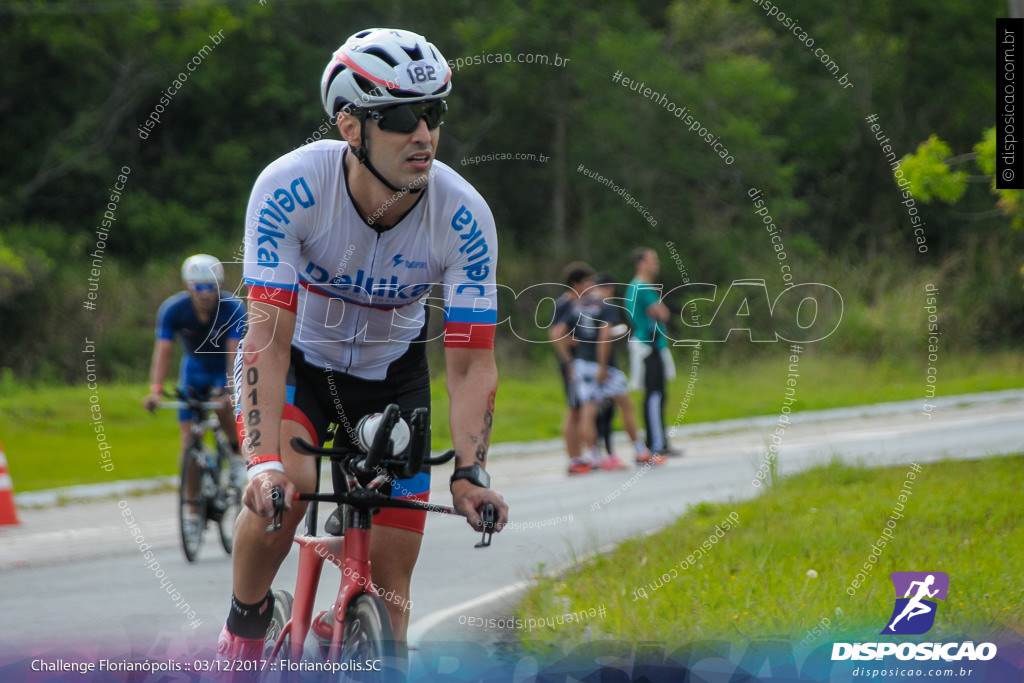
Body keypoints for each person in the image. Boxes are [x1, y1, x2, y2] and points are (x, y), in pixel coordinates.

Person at [217, 28, 508, 662]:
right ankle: (245, 627)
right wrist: (261, 461)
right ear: (351, 125)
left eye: (433, 113)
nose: (423, 133)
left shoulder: (464, 216)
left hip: (393, 378)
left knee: (392, 586)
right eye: (402, 116)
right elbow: (266, 338)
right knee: (286, 490)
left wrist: (471, 471)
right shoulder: (290, 187)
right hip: (299, 365)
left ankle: (352, 631)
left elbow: (469, 364)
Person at [143, 255, 246, 507]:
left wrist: (230, 389)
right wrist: (156, 390)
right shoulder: (173, 309)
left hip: (223, 367)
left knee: (222, 405)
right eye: (198, 287)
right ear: (188, 286)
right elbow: (163, 351)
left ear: (219, 286)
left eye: (210, 287)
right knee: (187, 443)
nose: (205, 294)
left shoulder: (232, 308)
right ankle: (191, 509)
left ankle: (235, 454)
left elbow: (234, 354)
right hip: (194, 369)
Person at [565, 272, 658, 469]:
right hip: (602, 365)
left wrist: (571, 359)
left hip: (581, 362)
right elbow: (604, 337)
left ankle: (594, 457)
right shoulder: (606, 306)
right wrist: (602, 365)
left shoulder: (578, 305)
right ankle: (641, 450)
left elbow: (561, 333)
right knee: (626, 405)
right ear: (610, 288)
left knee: (588, 410)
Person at [625, 248, 682, 458]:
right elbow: (662, 313)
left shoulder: (634, 286)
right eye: (652, 260)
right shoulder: (642, 287)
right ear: (640, 263)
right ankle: (656, 443)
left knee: (657, 394)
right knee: (654, 395)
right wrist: (658, 311)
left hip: (649, 344)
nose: (656, 264)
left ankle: (659, 440)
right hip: (649, 345)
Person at [550, 262, 595, 474]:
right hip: (571, 364)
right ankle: (573, 458)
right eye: (587, 282)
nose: (591, 286)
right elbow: (555, 334)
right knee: (574, 408)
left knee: (579, 408)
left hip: (580, 362)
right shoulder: (566, 304)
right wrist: (568, 360)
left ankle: (579, 456)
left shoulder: (581, 303)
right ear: (575, 283)